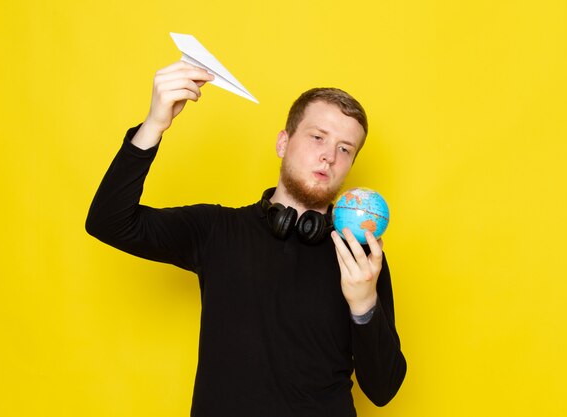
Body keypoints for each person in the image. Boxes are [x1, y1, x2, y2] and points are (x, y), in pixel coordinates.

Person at [86, 61, 406, 417]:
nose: (329, 156)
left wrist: (364, 306)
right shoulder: (216, 229)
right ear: (283, 143)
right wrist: (154, 124)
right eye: (318, 137)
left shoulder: (358, 255)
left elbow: (382, 389)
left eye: (345, 149)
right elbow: (108, 222)